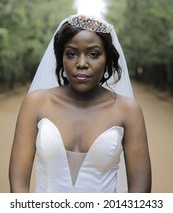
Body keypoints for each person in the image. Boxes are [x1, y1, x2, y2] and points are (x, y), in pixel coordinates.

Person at [9, 14, 151, 193]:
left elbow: (140, 193)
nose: (81, 63)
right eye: (71, 54)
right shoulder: (35, 103)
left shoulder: (128, 111)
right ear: (61, 58)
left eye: (93, 54)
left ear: (107, 58)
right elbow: (18, 186)